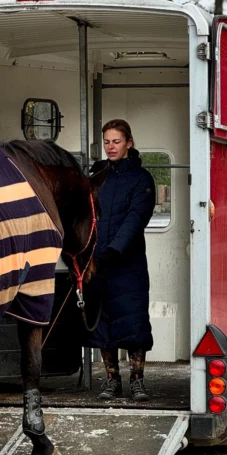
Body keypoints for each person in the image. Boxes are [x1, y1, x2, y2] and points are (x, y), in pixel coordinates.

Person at [88, 119, 156, 401]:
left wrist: (113, 250)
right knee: (104, 324)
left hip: (127, 265)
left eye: (116, 141)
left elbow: (135, 218)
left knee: (133, 322)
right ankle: (111, 380)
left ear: (129, 142)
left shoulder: (142, 180)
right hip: (98, 263)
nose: (111, 147)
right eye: (107, 142)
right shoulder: (98, 178)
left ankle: (137, 381)